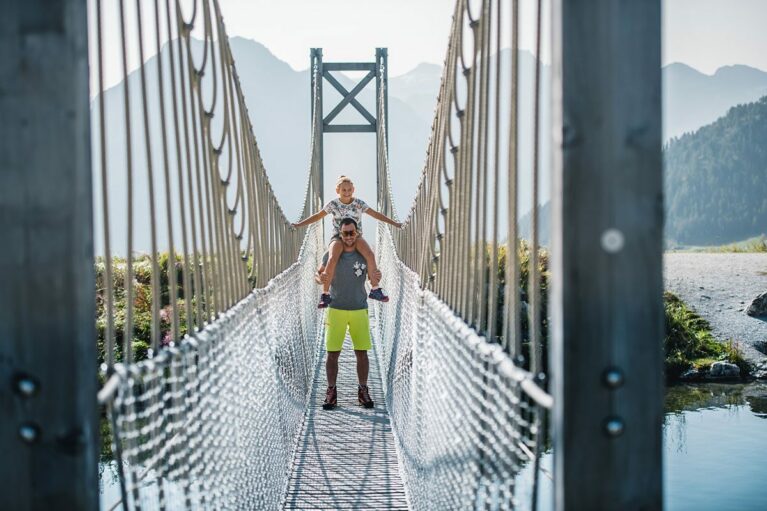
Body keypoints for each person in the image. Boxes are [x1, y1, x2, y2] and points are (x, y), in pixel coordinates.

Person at [292, 174, 401, 309]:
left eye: (349, 190)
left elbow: (375, 214)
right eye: (344, 190)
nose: (347, 192)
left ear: (353, 190)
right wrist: (299, 225)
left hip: (356, 236)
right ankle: (325, 295)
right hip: (338, 237)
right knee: (332, 258)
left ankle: (375, 289)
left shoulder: (359, 204)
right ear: (338, 190)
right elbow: (317, 216)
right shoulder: (333, 204)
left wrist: (394, 223)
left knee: (370, 254)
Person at [316, 218, 379, 410]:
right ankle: (331, 392)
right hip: (336, 309)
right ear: (340, 234)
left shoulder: (364, 254)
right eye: (345, 234)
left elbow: (372, 275)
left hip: (359, 309)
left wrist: (376, 276)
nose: (349, 237)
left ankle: (363, 390)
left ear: (357, 232)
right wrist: (320, 277)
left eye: (352, 233)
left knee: (362, 352)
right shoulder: (332, 254)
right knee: (332, 354)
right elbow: (319, 274)